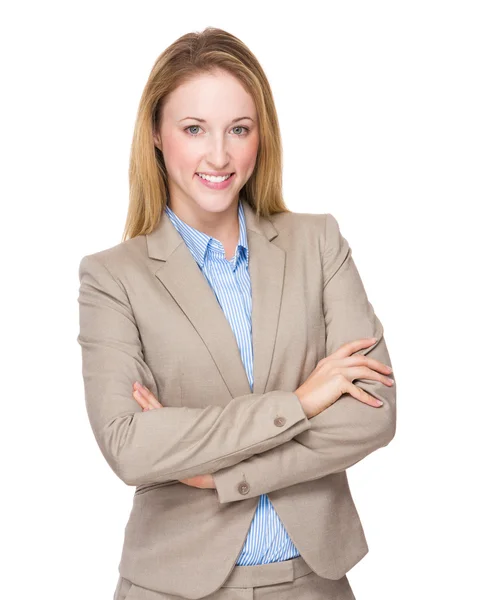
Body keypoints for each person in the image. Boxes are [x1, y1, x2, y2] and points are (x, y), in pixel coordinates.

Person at [77, 27, 396, 600]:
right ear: (156, 133)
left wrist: (219, 471)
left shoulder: (318, 243)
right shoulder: (112, 277)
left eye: (239, 130)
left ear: (260, 136)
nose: (219, 156)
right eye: (194, 128)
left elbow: (373, 415)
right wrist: (300, 403)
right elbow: (129, 444)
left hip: (314, 583)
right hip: (172, 585)